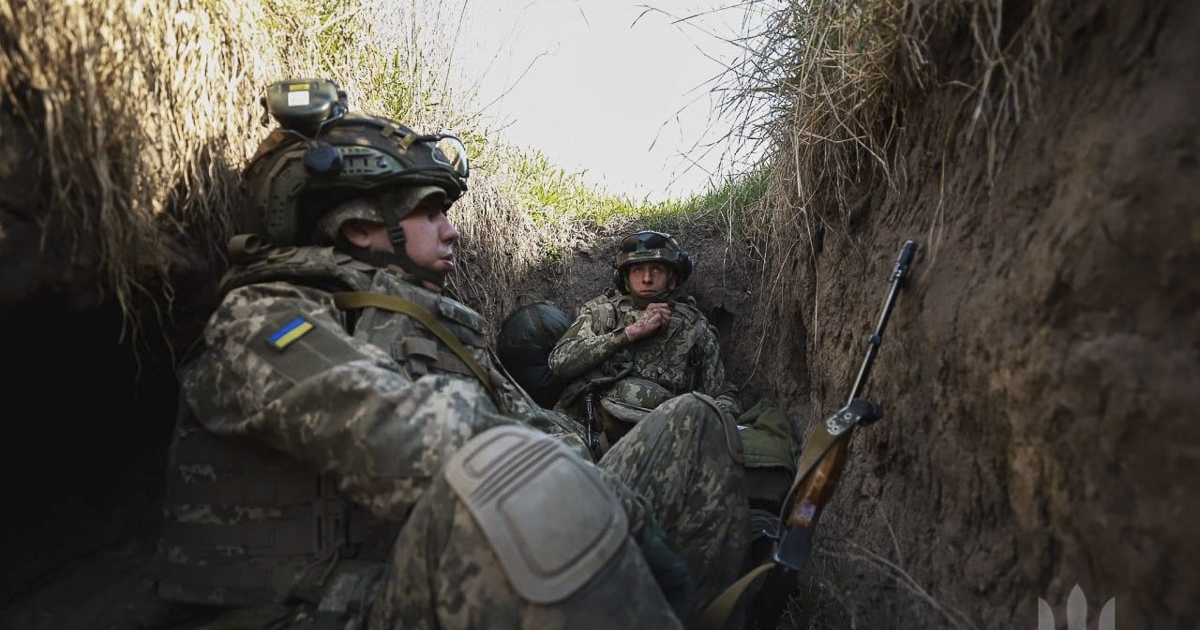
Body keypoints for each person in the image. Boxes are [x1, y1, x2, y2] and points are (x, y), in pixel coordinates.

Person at [149, 78, 748, 630]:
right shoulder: (262, 316)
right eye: (429, 212)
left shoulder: (427, 321)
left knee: (696, 421)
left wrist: (611, 498)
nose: (452, 230)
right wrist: (616, 509)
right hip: (322, 604)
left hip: (424, 568)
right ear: (360, 227)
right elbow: (396, 430)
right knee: (516, 494)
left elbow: (537, 427)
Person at [548, 230, 742, 452]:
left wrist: (704, 425)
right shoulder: (601, 314)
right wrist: (628, 334)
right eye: (637, 270)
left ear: (672, 279)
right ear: (624, 278)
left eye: (656, 269)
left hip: (663, 442)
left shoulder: (694, 327)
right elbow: (559, 362)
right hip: (589, 432)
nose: (647, 279)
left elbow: (722, 393)